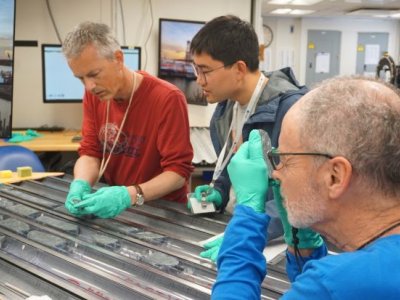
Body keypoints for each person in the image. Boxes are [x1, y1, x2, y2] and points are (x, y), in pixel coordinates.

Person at [213, 76, 400, 299]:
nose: (276, 173)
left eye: (284, 158)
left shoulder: (333, 284)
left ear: (334, 177)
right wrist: (304, 249)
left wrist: (247, 218)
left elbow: (333, 287)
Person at [189, 15, 308, 261]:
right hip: (241, 225)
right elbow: (232, 170)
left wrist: (248, 233)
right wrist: (219, 192)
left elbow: (300, 194)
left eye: (205, 71)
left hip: (279, 242)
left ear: (239, 69)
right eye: (195, 70)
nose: (199, 80)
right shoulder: (224, 112)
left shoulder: (291, 111)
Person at [62, 22, 193, 219]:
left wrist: (130, 195)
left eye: (94, 74)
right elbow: (90, 152)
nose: (89, 86)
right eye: (81, 79)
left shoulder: (167, 98)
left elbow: (178, 173)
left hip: (163, 212)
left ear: (118, 59)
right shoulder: (93, 95)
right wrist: (80, 183)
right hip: (122, 210)